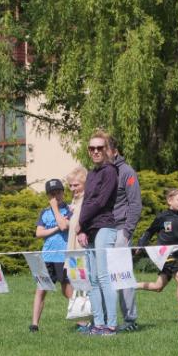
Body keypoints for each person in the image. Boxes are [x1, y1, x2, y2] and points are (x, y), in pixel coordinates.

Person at [135, 188, 178, 323]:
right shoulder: (162, 217)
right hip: (165, 256)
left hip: (177, 257)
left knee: (158, 287)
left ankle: (131, 286)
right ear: (169, 201)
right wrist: (140, 245)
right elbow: (149, 232)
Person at [76, 131, 120, 336]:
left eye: (99, 148)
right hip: (91, 228)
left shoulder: (110, 171)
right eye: (92, 148)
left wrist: (80, 222)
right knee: (92, 279)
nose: (95, 151)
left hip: (105, 227)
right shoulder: (92, 174)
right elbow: (87, 202)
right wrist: (83, 229)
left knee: (103, 277)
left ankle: (111, 326)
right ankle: (98, 324)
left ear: (106, 150)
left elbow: (101, 202)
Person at [29, 178, 73, 332]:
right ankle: (34, 324)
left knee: (67, 291)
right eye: (52, 194)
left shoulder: (69, 210)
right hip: (47, 257)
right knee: (41, 290)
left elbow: (64, 225)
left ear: (63, 193)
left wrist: (55, 208)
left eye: (58, 192)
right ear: (48, 196)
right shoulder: (44, 213)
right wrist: (55, 229)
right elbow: (39, 233)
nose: (56, 196)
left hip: (63, 257)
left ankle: (82, 321)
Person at [108, 139, 143, 331]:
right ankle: (106, 320)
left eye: (103, 148)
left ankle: (130, 320)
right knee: (103, 277)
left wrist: (127, 231)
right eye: (94, 148)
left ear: (114, 151)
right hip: (102, 232)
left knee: (122, 275)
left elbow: (135, 204)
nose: (98, 152)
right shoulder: (100, 172)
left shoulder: (127, 172)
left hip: (120, 230)